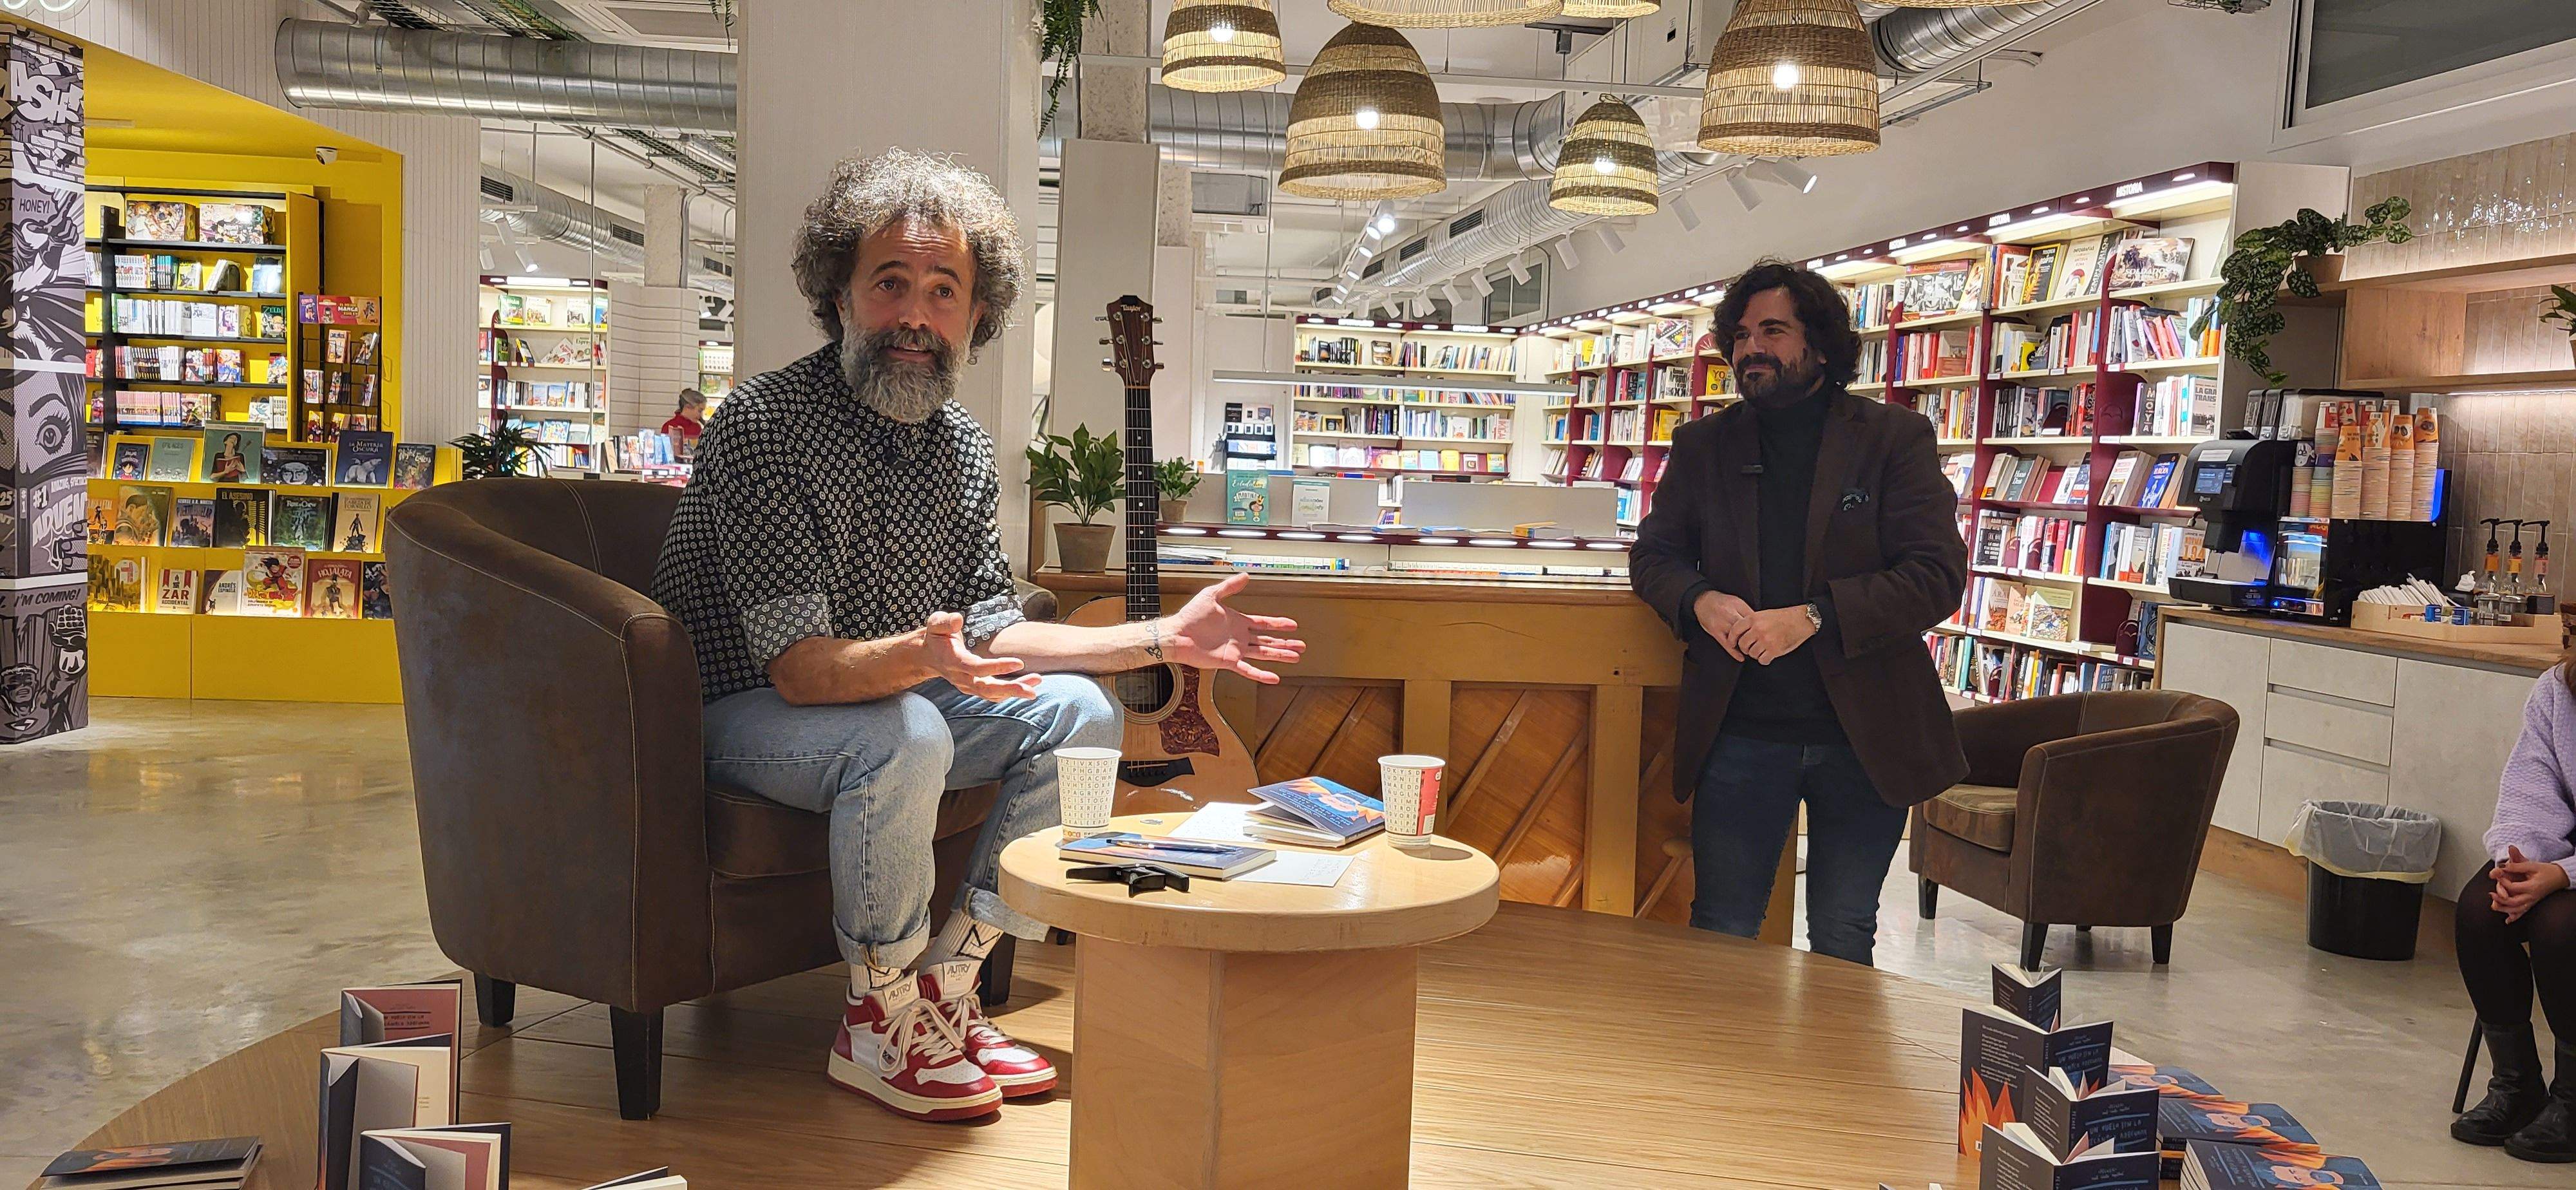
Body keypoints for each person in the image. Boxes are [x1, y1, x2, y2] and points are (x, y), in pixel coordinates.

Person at [649, 149, 1303, 1124]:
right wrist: (925, 661)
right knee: (905, 731)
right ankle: (878, 1013)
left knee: (1079, 713)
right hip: (740, 714)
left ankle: (949, 992)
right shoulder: (761, 422)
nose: (917, 314)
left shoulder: (956, 442)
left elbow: (994, 628)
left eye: (944, 290)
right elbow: (799, 668)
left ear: (978, 314)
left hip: (888, 693)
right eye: (891, 283)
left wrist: (1164, 636)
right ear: (840, 294)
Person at [1628, 259, 1967, 967]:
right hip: (1741, 732)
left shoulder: (1892, 440)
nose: (1752, 348)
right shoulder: (1704, 446)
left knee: (1844, 935)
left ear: (1818, 341)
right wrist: (1698, 600)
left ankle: (1832, 1080)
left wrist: (1813, 617)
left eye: (1773, 330)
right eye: (1742, 333)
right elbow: (1654, 557)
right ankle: (1716, 1079)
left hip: (1865, 735)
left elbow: (1935, 577)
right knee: (1721, 930)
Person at [2454, 656, 2576, 1162]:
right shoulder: (2557, 690)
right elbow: (2528, 790)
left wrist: (2564, 875)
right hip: (2560, 852)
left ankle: (2573, 1101)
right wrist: (2515, 864)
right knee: (2480, 910)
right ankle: (2517, 1084)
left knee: (2560, 928)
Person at [660, 388, 708, 458]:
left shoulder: (698, 428)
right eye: (700, 411)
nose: (701, 415)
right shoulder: (669, 426)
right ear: (688, 407)